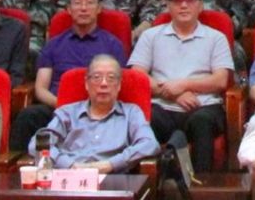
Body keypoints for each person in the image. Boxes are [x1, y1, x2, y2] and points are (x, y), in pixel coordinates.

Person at [127, 0, 236, 172]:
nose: (184, 5)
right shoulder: (150, 36)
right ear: (168, 6)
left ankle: (201, 184)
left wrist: (184, 85)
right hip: (162, 106)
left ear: (200, 6)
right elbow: (137, 75)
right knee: (143, 118)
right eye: (177, 1)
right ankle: (152, 184)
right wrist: (173, 94)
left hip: (203, 106)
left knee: (202, 122)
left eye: (190, 0)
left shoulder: (216, 38)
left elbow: (221, 80)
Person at [14, 0, 128, 150]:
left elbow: (119, 84)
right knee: (28, 116)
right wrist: (63, 106)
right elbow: (40, 89)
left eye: (89, 2)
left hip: (100, 110)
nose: (83, 8)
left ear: (99, 8)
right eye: (78, 3)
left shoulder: (112, 44)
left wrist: (93, 108)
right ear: (69, 9)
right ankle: (17, 164)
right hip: (58, 108)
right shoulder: (54, 45)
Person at [27, 54, 161, 171]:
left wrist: (111, 164)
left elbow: (149, 144)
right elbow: (37, 144)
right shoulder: (68, 113)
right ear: (87, 83)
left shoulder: (131, 113)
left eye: (111, 78)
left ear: (119, 84)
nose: (104, 84)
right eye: (97, 77)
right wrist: (69, 165)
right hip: (69, 178)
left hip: (112, 180)